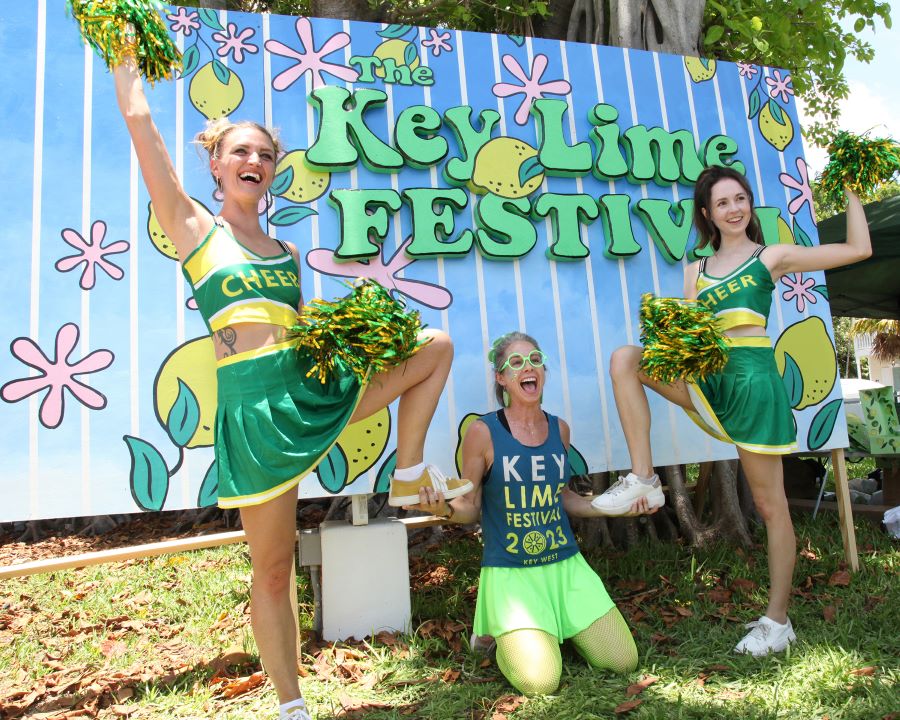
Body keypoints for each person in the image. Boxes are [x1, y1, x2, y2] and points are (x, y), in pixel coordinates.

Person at [112, 46, 471, 720]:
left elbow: (301, 332)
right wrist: (124, 58)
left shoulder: (284, 253)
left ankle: (409, 467)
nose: (255, 163)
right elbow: (142, 127)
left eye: (266, 156)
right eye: (241, 153)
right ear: (216, 166)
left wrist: (343, 334)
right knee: (272, 571)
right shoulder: (194, 229)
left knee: (434, 346)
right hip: (254, 415)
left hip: (307, 391)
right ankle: (291, 705)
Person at [594, 165, 871, 656]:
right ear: (707, 214)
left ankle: (778, 620)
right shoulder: (694, 272)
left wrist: (851, 189)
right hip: (708, 378)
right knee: (625, 358)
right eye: (723, 203)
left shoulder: (771, 257)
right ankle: (643, 477)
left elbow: (857, 251)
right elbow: (688, 340)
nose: (735, 208)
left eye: (740, 198)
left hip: (752, 383)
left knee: (771, 507)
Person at [415, 332, 653, 695]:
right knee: (540, 683)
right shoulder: (484, 432)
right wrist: (444, 509)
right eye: (516, 362)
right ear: (501, 378)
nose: (528, 368)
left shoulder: (559, 429)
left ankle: (557, 627)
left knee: (623, 661)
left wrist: (610, 506)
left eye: (535, 360)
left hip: (566, 568)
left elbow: (565, 497)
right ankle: (500, 635)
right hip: (512, 575)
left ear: (543, 371)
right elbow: (470, 507)